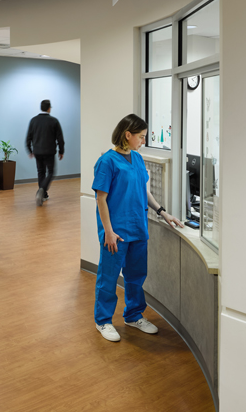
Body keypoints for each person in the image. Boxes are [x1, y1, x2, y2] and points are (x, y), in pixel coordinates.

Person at [92, 114, 184, 342]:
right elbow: (100, 199)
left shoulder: (138, 159)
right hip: (116, 232)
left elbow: (144, 192)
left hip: (138, 227)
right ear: (128, 135)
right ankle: (103, 321)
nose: (143, 141)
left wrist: (163, 212)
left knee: (136, 277)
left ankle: (133, 316)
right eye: (141, 137)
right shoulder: (107, 161)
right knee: (109, 277)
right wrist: (108, 231)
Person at [25, 99, 65, 206]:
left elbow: (28, 137)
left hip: (37, 151)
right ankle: (42, 190)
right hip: (49, 151)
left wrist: (30, 150)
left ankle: (44, 195)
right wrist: (61, 151)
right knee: (51, 172)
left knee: (40, 172)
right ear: (49, 108)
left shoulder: (33, 120)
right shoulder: (54, 121)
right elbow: (60, 138)